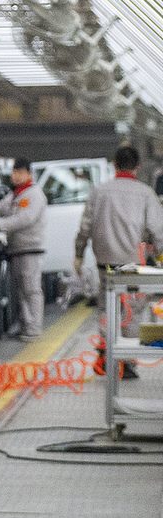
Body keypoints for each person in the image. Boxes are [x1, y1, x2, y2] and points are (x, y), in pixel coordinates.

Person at [73, 144, 163, 379]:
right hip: (134, 267)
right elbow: (157, 230)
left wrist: (79, 253)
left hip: (106, 265)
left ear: (114, 165)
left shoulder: (98, 192)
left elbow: (85, 227)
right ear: (137, 166)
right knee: (132, 312)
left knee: (107, 309)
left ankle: (106, 357)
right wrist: (160, 255)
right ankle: (127, 363)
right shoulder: (146, 193)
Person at [0, 157, 46, 341]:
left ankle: (33, 328)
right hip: (17, 249)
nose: (16, 176)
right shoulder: (16, 194)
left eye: (20, 172)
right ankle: (24, 326)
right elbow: (1, 208)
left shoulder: (34, 194)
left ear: (29, 174)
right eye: (14, 172)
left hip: (30, 249)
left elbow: (25, 219)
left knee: (31, 290)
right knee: (21, 292)